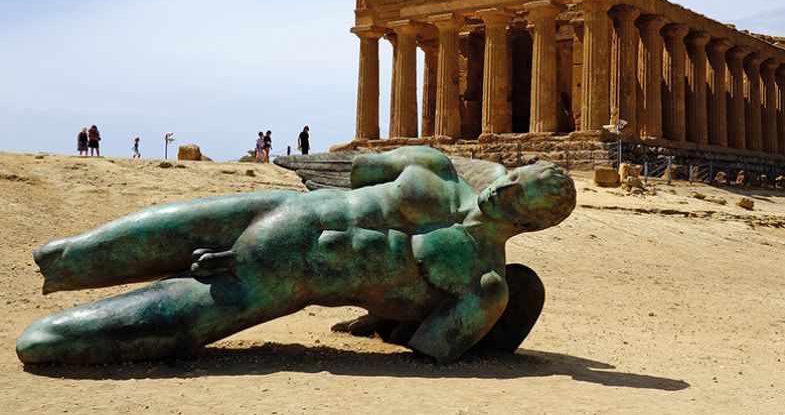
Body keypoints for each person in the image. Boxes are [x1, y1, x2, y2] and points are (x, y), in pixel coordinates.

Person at [16, 146, 576, 365]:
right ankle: (63, 264)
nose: (500, 190)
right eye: (512, 178)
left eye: (515, 196)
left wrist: (386, 317)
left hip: (278, 283)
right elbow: (361, 171)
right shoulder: (436, 168)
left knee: (45, 343)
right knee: (66, 256)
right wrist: (472, 167)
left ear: (531, 222)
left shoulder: (484, 284)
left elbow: (426, 346)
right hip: (275, 209)